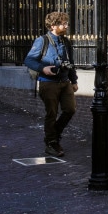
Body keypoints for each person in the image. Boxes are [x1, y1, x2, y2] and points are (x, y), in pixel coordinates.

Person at [24, 11, 78, 158]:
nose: (66, 25)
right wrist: (43, 68)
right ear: (53, 26)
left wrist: (74, 81)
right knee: (51, 114)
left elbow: (70, 62)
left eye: (66, 22)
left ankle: (54, 135)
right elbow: (28, 60)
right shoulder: (42, 41)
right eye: (63, 23)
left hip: (65, 82)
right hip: (48, 84)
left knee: (70, 109)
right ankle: (51, 143)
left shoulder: (66, 41)